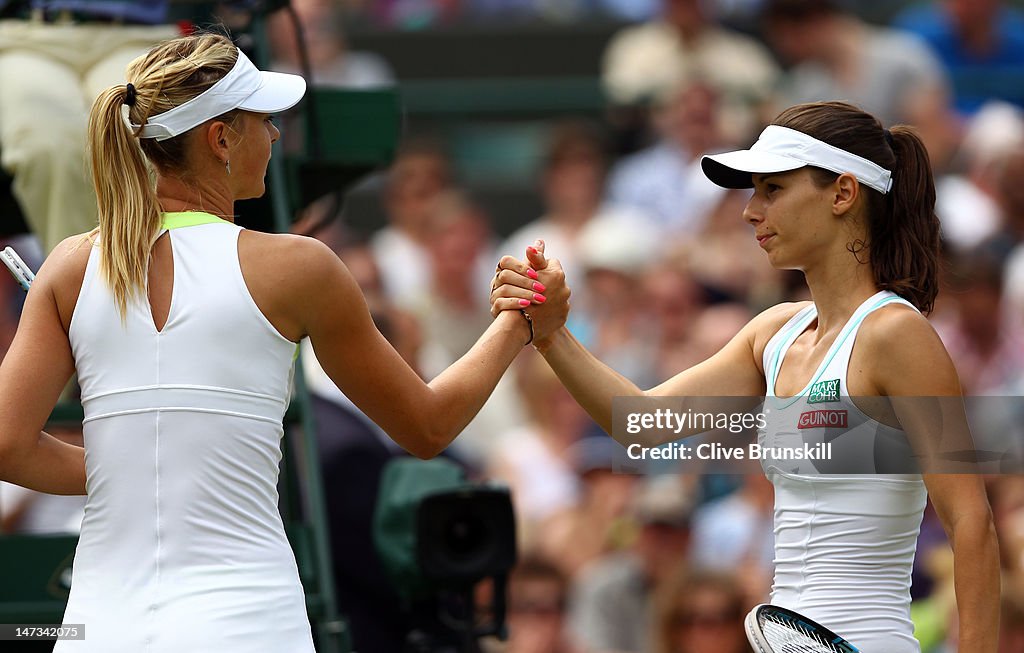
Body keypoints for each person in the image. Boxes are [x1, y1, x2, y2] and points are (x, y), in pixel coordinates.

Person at [0, 33, 564, 651]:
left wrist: (145, 471)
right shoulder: (300, 268)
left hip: (100, 629)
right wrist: (519, 321)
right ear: (219, 138)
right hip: (248, 623)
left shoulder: (66, 266)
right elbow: (426, 427)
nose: (274, 136)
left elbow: (7, 445)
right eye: (263, 120)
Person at [492, 101, 1000, 652]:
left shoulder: (896, 335)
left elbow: (971, 525)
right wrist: (551, 333)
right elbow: (639, 421)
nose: (750, 211)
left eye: (772, 189)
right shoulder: (773, 333)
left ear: (843, 193)